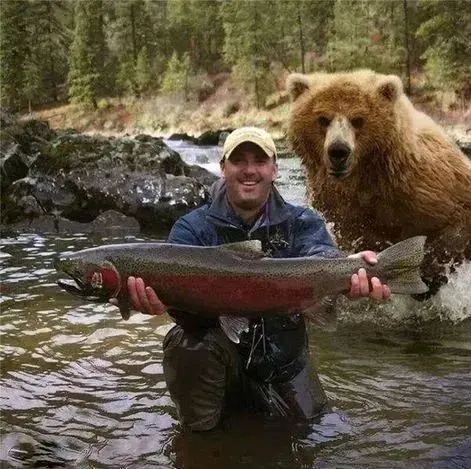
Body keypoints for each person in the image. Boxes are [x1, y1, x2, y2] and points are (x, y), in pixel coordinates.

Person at [113, 127, 391, 431]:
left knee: (323, 434)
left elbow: (321, 258)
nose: (249, 170)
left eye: (259, 161)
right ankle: (200, 439)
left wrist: (349, 271)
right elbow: (187, 316)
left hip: (286, 365)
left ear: (274, 169)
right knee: (185, 344)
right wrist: (163, 304)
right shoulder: (190, 230)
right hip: (222, 362)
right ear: (223, 168)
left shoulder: (303, 222)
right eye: (238, 161)